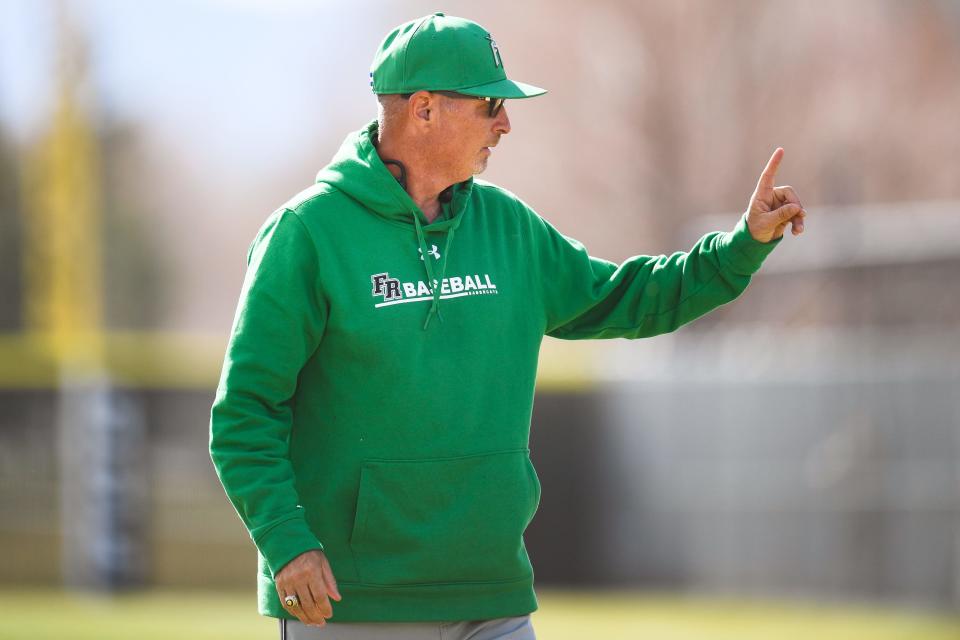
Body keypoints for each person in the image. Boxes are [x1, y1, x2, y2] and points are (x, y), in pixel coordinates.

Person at [208, 12, 807, 640]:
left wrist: (742, 245)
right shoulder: (306, 236)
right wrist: (286, 541)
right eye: (489, 103)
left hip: (492, 595)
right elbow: (245, 412)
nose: (506, 121)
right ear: (424, 110)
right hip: (353, 603)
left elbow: (629, 296)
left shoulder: (511, 229)